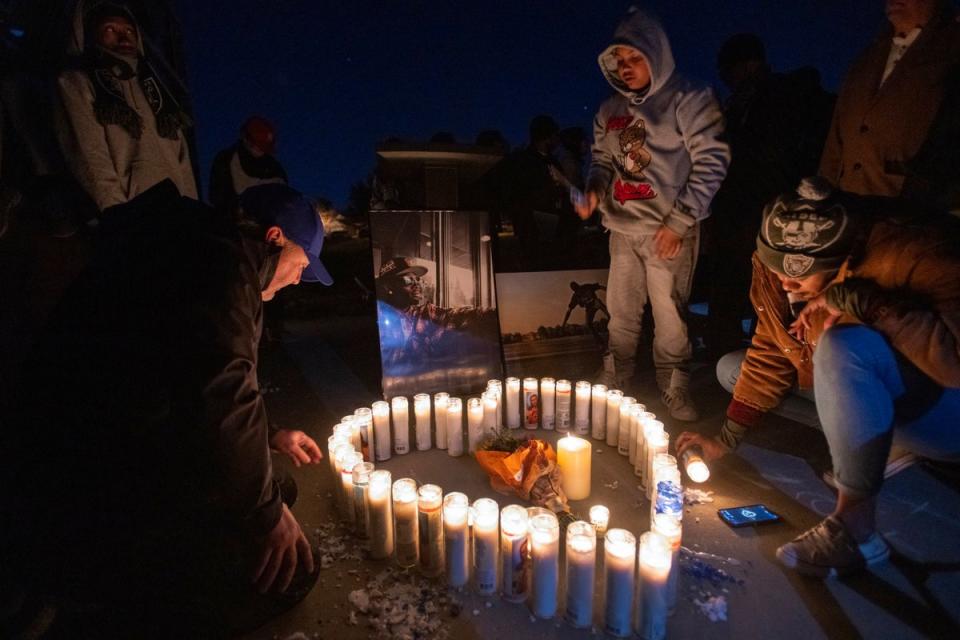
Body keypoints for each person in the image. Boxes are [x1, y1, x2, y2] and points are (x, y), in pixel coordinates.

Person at [3, 180, 331, 634]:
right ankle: (114, 600)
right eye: (301, 265)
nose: (299, 278)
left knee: (276, 487)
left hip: (114, 444)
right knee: (296, 568)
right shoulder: (225, 267)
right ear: (275, 237)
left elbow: (196, 377)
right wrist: (267, 516)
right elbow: (223, 395)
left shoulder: (197, 244)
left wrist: (270, 436)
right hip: (97, 484)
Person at [677, 176, 960, 577]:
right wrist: (726, 440)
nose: (784, 284)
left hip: (945, 407)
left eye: (797, 279)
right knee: (732, 369)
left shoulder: (916, 251)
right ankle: (869, 440)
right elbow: (772, 346)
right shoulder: (777, 266)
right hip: (873, 386)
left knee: (843, 346)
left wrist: (862, 302)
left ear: (838, 260)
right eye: (776, 271)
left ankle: (856, 529)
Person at [575, 6, 729, 420]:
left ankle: (674, 382)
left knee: (671, 316)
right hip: (622, 229)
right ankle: (617, 371)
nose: (626, 68)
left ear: (656, 54)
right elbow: (602, 161)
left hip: (669, 230)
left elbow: (713, 159)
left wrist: (680, 220)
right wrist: (593, 189)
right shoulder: (609, 110)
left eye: (635, 58)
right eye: (619, 61)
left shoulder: (690, 97)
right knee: (621, 311)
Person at [706, 33, 834, 358]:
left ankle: (769, 355)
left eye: (729, 71)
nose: (726, 79)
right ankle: (730, 356)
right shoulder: (738, 104)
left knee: (771, 286)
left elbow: (787, 154)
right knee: (734, 284)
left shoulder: (785, 97)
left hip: (771, 208)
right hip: (738, 211)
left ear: (749, 65)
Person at [55, 1, 197, 213]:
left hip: (175, 213)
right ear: (91, 33)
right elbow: (91, 157)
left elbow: (182, 160)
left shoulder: (157, 91)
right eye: (110, 29)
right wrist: (118, 215)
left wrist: (193, 211)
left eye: (129, 30)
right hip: (131, 214)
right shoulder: (78, 82)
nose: (123, 37)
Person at [818, 0, 960, 207]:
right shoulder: (866, 60)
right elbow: (837, 138)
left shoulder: (951, 51)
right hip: (849, 209)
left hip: (917, 215)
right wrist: (822, 192)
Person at [375, 256, 497, 370]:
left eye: (417, 279)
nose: (416, 284)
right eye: (408, 280)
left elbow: (459, 316)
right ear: (387, 286)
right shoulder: (379, 318)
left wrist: (494, 315)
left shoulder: (424, 313)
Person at [483, 115, 566, 269]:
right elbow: (517, 191)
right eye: (555, 135)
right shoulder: (525, 161)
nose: (558, 140)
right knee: (534, 259)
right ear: (548, 137)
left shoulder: (548, 160)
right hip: (531, 220)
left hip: (549, 218)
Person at [209, 116, 288, 220]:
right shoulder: (225, 160)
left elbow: (283, 200)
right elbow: (216, 197)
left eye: (265, 147)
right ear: (245, 139)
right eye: (258, 146)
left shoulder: (276, 169)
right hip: (231, 224)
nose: (262, 151)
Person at [561, 281, 610, 350]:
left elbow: (599, 287)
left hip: (595, 303)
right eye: (577, 291)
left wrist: (610, 292)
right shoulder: (575, 297)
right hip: (589, 308)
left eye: (578, 289)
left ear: (579, 285)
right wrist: (563, 323)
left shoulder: (586, 286)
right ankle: (600, 342)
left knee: (602, 307)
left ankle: (611, 319)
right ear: (574, 291)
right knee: (588, 324)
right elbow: (569, 311)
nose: (579, 292)